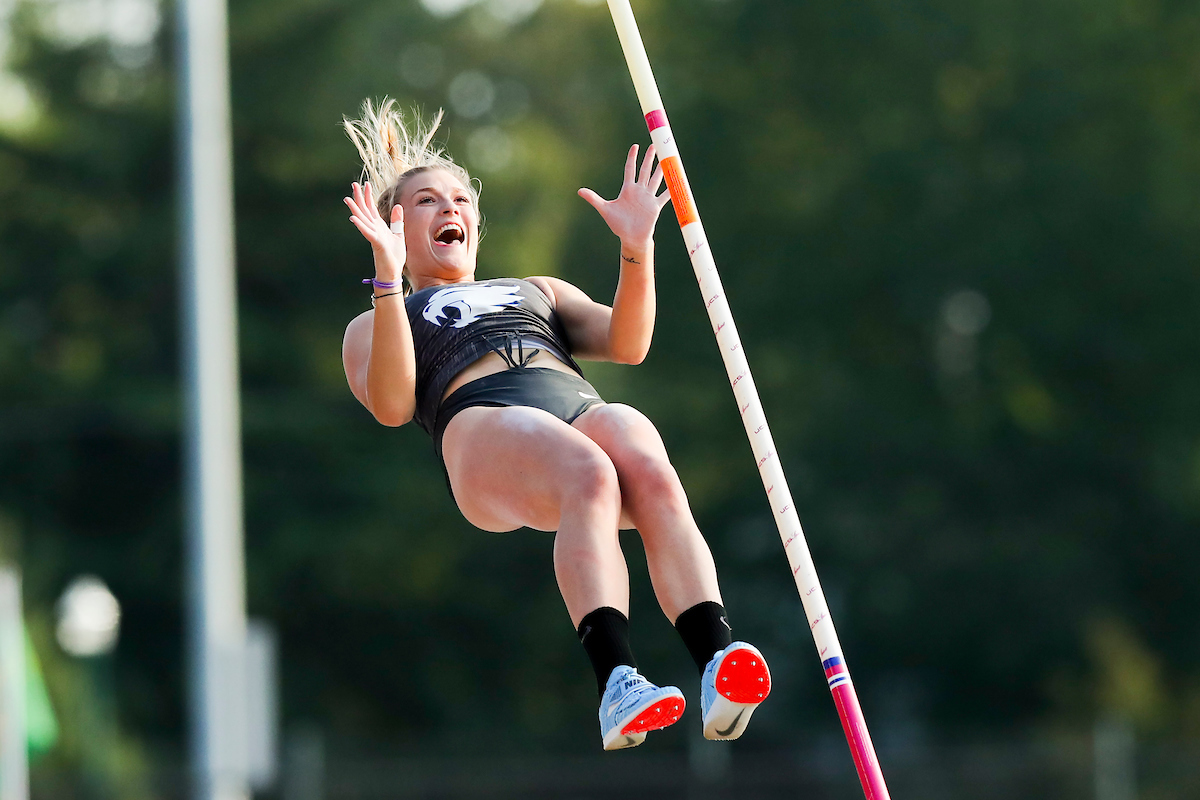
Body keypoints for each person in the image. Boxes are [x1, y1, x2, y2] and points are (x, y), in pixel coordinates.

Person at [340, 99, 771, 750]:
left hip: (572, 402)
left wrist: (636, 248)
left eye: (460, 197)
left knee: (638, 450)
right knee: (589, 472)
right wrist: (389, 281)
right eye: (427, 201)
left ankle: (716, 660)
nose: (450, 207)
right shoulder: (376, 319)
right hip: (483, 423)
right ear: (394, 223)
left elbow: (628, 342)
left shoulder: (536, 287)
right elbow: (394, 404)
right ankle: (617, 683)